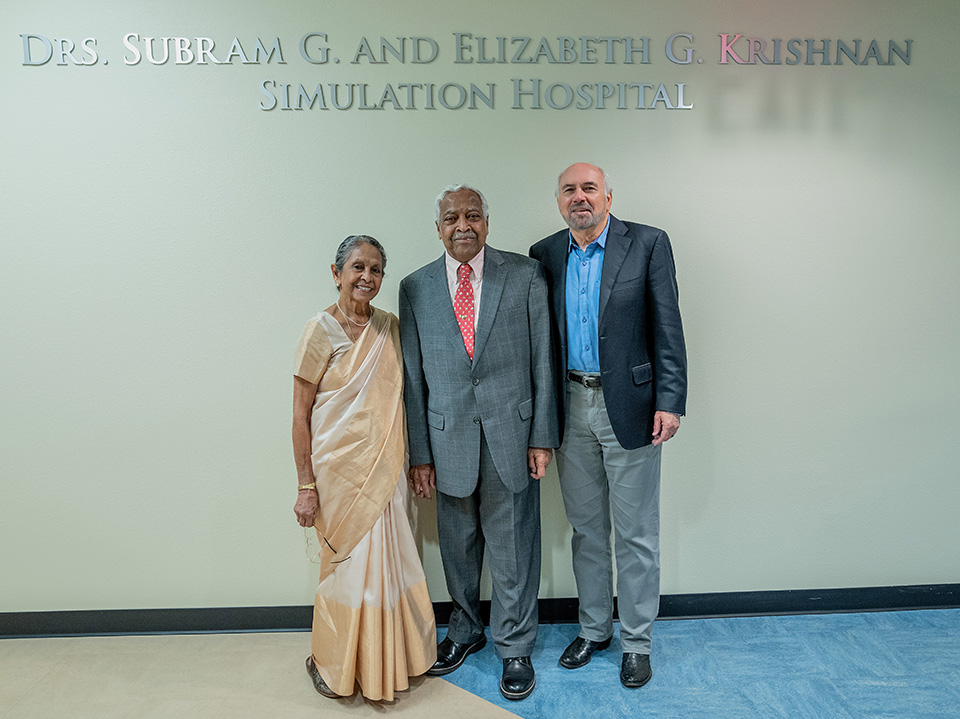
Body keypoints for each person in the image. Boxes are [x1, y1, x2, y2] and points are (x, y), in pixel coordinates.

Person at [529, 163, 687, 689]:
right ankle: (594, 629)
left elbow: (668, 326)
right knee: (588, 531)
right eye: (569, 190)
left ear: (608, 196)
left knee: (637, 534)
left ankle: (637, 642)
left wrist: (671, 400)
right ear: (559, 201)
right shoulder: (545, 254)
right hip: (570, 407)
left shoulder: (647, 243)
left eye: (588, 189)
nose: (580, 198)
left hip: (634, 409)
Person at [399, 184, 558, 701]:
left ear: (487, 222)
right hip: (446, 441)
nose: (462, 225)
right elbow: (413, 377)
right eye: (451, 218)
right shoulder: (415, 287)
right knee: (458, 545)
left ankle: (514, 647)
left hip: (512, 434)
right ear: (438, 227)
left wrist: (542, 437)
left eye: (472, 215)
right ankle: (464, 629)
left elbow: (542, 361)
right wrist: (419, 452)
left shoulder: (526, 274)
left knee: (514, 545)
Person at [292, 235, 436, 701]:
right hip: (337, 477)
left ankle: (392, 659)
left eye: (375, 270)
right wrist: (305, 485)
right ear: (336, 273)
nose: (366, 278)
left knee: (390, 563)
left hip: (386, 471)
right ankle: (337, 663)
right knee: (348, 570)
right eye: (357, 267)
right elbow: (300, 415)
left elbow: (404, 398)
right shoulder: (319, 330)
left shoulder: (388, 328)